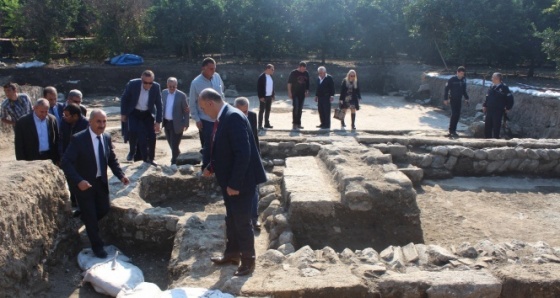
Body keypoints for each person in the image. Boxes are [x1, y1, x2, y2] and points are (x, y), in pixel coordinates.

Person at [199, 88, 266, 276]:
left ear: (211, 103)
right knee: (232, 219)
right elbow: (223, 149)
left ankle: (248, 261)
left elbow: (243, 153)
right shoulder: (224, 117)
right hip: (229, 181)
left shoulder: (233, 117)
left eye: (204, 108)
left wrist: (235, 184)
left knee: (243, 221)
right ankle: (232, 254)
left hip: (241, 182)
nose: (204, 112)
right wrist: (211, 166)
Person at [61, 109, 130, 258]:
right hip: (84, 185)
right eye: (99, 121)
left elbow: (111, 159)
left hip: (100, 183)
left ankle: (85, 218)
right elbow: (66, 162)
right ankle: (97, 246)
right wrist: (78, 181)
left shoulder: (106, 137)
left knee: (104, 209)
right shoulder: (79, 139)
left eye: (104, 121)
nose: (102, 125)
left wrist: (121, 175)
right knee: (91, 217)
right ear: (90, 121)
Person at [120, 70, 163, 166]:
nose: (148, 85)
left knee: (152, 136)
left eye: (150, 83)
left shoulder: (156, 87)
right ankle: (132, 151)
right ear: (141, 80)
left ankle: (151, 158)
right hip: (134, 112)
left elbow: (159, 105)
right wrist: (123, 113)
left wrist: (158, 121)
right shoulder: (132, 84)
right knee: (134, 131)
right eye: (145, 83)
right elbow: (124, 98)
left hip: (147, 113)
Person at [189, 57, 225, 166]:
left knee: (221, 142)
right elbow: (192, 102)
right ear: (203, 68)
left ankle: (219, 165)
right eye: (211, 69)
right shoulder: (196, 83)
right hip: (206, 119)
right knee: (208, 145)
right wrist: (197, 119)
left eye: (214, 68)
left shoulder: (217, 77)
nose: (213, 71)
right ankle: (206, 167)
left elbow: (222, 94)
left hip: (219, 117)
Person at [234, 96, 261, 230]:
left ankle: (254, 217)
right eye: (241, 111)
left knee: (254, 189)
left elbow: (254, 136)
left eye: (246, 111)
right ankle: (240, 218)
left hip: (251, 157)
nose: (244, 114)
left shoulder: (252, 116)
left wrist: (258, 155)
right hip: (237, 159)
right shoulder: (229, 118)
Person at [59, 103, 89, 212]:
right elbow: (61, 140)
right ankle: (74, 203)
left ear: (75, 116)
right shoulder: (64, 122)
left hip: (81, 160)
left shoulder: (86, 124)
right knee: (71, 181)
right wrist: (61, 156)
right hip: (68, 159)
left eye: (67, 115)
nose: (64, 117)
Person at [14, 98, 59, 164]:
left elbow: (56, 139)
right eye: (41, 112)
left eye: (46, 111)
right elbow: (19, 144)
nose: (44, 114)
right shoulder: (23, 122)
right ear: (35, 108)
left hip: (49, 156)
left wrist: (57, 158)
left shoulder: (52, 120)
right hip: (31, 158)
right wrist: (21, 162)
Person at [162, 77, 190, 165]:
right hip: (167, 122)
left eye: (174, 86)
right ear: (167, 85)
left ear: (176, 86)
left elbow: (186, 111)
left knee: (174, 145)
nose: (172, 88)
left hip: (177, 124)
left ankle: (174, 162)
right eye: (170, 86)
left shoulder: (181, 95)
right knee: (171, 144)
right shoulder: (163, 93)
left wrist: (186, 123)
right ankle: (179, 157)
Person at [483, 72, 514, 139]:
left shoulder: (504, 88)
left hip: (498, 110)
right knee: (487, 126)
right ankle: (487, 140)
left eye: (493, 77)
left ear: (497, 79)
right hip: (490, 109)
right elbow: (487, 97)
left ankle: (496, 140)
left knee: (496, 126)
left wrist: (508, 107)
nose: (491, 79)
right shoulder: (491, 86)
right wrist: (485, 105)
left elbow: (510, 98)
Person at [443, 66, 469, 138]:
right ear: (457, 72)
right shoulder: (452, 79)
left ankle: (454, 130)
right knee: (454, 114)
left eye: (463, 74)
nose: (462, 75)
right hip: (453, 99)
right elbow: (446, 89)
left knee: (457, 115)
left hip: (459, 99)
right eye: (461, 73)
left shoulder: (463, 80)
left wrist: (466, 98)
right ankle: (451, 130)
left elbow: (464, 90)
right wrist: (445, 99)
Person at [287, 61, 310, 130]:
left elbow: (307, 83)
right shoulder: (293, 73)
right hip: (295, 93)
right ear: (299, 67)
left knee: (300, 109)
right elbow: (289, 83)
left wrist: (307, 91)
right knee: (296, 107)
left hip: (302, 94)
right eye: (302, 68)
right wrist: (289, 92)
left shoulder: (306, 73)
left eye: (304, 69)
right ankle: (294, 123)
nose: (303, 70)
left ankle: (299, 123)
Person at [256, 64, 275, 130]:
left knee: (268, 110)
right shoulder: (261, 77)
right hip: (263, 97)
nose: (273, 71)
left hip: (269, 96)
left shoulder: (270, 77)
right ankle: (260, 125)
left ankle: (266, 124)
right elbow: (259, 88)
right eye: (272, 69)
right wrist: (261, 97)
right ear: (268, 69)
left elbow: (272, 86)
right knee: (261, 111)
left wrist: (273, 95)